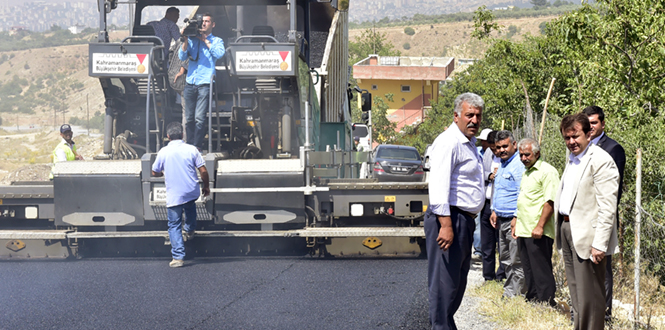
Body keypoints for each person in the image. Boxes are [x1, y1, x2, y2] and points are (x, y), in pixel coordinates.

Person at [555, 113, 620, 330]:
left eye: (576, 136)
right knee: (577, 294)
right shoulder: (573, 158)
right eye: (567, 138)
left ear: (588, 133)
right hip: (567, 228)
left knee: (591, 296)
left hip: (587, 236)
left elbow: (608, 206)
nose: (571, 142)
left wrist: (600, 243)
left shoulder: (601, 160)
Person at [426, 92, 484, 330]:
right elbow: (438, 185)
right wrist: (446, 225)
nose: (474, 120)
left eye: (478, 116)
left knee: (456, 285)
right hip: (450, 219)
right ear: (456, 116)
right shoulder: (448, 142)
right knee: (444, 287)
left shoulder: (468, 143)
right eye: (469, 115)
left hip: (464, 221)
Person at [582, 105, 626, 320]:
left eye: (594, 123)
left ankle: (604, 315)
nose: (590, 127)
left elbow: (613, 191)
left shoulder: (613, 149)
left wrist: (605, 220)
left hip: (601, 217)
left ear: (602, 124)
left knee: (602, 265)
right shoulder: (579, 146)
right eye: (587, 123)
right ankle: (587, 310)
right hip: (582, 216)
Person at [151, 122, 210, 268]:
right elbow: (203, 170)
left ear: (168, 136)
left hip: (175, 195)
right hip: (191, 191)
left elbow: (154, 172)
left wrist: (162, 173)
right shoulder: (192, 149)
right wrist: (207, 186)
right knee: (190, 208)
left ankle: (178, 257)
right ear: (182, 135)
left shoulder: (163, 152)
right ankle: (190, 230)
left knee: (174, 225)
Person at [514, 138, 559, 307]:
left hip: (538, 230)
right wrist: (516, 222)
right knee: (528, 268)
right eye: (521, 155)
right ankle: (533, 299)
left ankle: (546, 302)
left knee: (541, 269)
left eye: (527, 154)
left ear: (537, 153)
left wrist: (540, 225)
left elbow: (551, 201)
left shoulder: (548, 171)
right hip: (524, 229)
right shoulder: (527, 172)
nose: (524, 158)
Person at [179, 12, 225, 150]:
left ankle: (197, 146)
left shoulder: (217, 41)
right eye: (202, 21)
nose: (203, 23)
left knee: (199, 117)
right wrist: (185, 38)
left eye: (207, 21)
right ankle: (189, 144)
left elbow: (219, 54)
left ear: (213, 24)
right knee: (189, 117)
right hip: (190, 82)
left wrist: (205, 40)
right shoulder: (192, 39)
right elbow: (182, 56)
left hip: (205, 82)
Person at [489, 130, 526, 298]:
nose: (502, 150)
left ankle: (515, 294)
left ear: (514, 144)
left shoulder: (518, 165)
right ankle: (509, 290)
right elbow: (500, 191)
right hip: (501, 219)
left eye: (505, 146)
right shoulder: (503, 164)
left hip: (513, 220)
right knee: (505, 258)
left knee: (516, 259)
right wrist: (494, 210)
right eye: (499, 147)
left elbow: (522, 192)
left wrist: (517, 217)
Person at [480, 130, 506, 282]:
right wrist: (489, 176)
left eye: (496, 148)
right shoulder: (488, 155)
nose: (495, 151)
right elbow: (480, 173)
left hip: (501, 207)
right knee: (487, 244)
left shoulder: (508, 158)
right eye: (491, 148)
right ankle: (488, 276)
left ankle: (501, 275)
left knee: (502, 243)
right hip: (487, 205)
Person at [472, 128, 493, 258]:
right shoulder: (478, 152)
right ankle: (479, 249)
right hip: (479, 192)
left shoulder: (493, 153)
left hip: (488, 194)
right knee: (478, 223)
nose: (483, 143)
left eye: (484, 141)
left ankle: (482, 249)